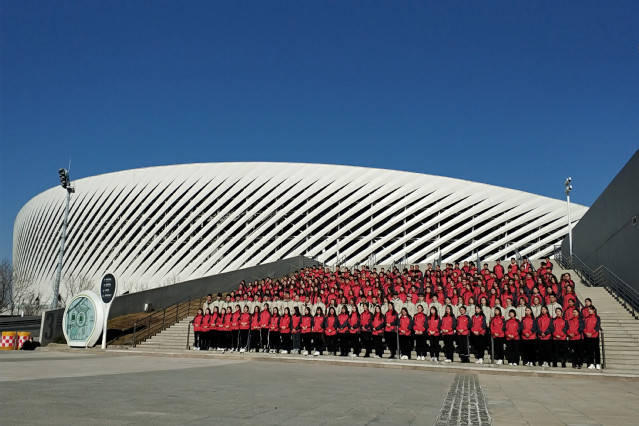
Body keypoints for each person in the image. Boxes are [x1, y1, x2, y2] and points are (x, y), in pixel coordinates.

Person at [583, 306, 602, 370]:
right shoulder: (586, 318)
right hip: (588, 336)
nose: (589, 311)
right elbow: (584, 326)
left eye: (590, 309)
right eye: (588, 309)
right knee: (590, 350)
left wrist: (591, 333)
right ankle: (591, 363)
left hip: (594, 336)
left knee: (596, 350)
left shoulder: (597, 317)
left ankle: (597, 363)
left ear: (594, 310)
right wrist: (586, 333)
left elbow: (597, 326)